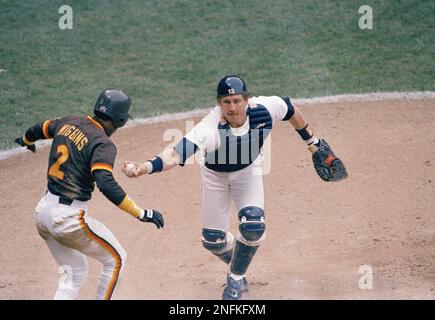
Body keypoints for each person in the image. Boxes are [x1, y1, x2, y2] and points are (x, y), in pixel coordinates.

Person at [122, 75, 347, 300]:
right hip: (215, 177)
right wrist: (145, 167)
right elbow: (175, 153)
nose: (232, 107)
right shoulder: (209, 128)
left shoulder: (264, 110)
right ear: (218, 103)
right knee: (212, 240)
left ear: (247, 100)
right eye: (226, 102)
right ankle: (239, 263)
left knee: (253, 225)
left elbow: (289, 108)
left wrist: (313, 143)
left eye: (237, 101)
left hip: (247, 172)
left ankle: (235, 279)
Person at [14, 89, 164, 300]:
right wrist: (141, 213)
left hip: (42, 214)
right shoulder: (102, 143)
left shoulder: (68, 122)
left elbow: (40, 128)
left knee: (74, 274)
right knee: (116, 260)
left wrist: (26, 140)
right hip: (67, 219)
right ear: (121, 120)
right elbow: (105, 183)